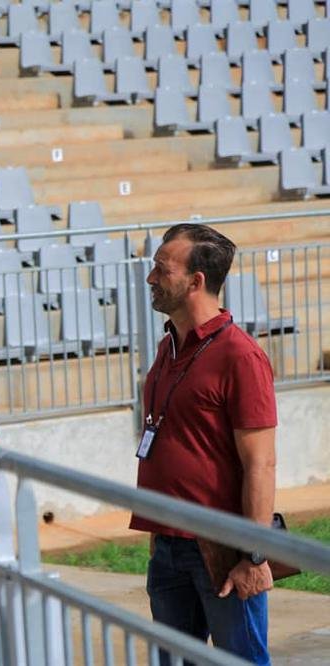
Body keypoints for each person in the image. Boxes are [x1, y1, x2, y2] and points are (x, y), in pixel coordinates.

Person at [129, 224, 277, 665]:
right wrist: (161, 534)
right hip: (170, 544)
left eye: (162, 269)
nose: (152, 278)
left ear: (196, 281)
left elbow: (261, 464)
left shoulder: (240, 356)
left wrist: (254, 555)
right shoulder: (168, 347)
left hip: (223, 550)